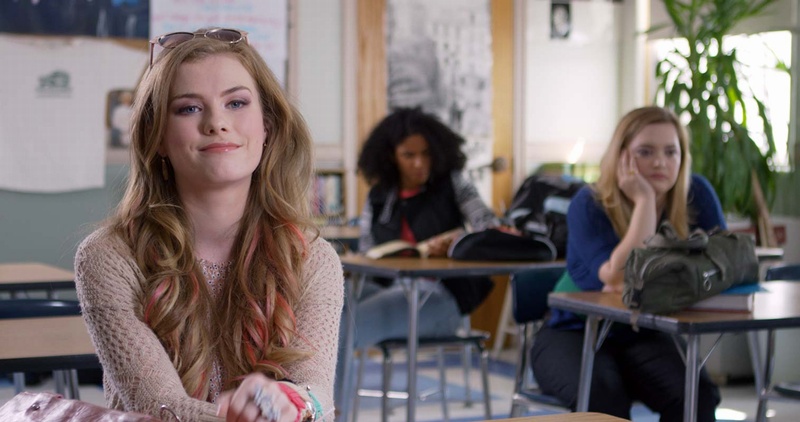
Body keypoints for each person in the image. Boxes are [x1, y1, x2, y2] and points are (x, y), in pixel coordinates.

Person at [74, 28, 343, 422]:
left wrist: (297, 402)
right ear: (157, 137)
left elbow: (318, 396)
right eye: (188, 109)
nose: (217, 123)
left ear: (267, 126)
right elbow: (160, 408)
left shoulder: (313, 258)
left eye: (236, 103)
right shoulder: (108, 256)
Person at [530, 106, 724, 421]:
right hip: (573, 331)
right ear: (621, 157)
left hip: (644, 332)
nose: (660, 162)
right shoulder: (589, 203)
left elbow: (722, 265)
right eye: (645, 152)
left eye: (671, 152)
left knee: (697, 397)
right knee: (603, 399)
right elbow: (621, 278)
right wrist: (645, 202)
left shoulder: (695, 192)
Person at [334, 107, 498, 407]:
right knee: (327, 306)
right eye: (408, 155)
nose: (419, 163)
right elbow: (368, 249)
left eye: (426, 154)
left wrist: (455, 241)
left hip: (441, 298)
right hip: (391, 289)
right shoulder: (380, 195)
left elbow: (490, 228)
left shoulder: (453, 184)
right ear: (390, 156)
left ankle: (330, 414)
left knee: (343, 329)